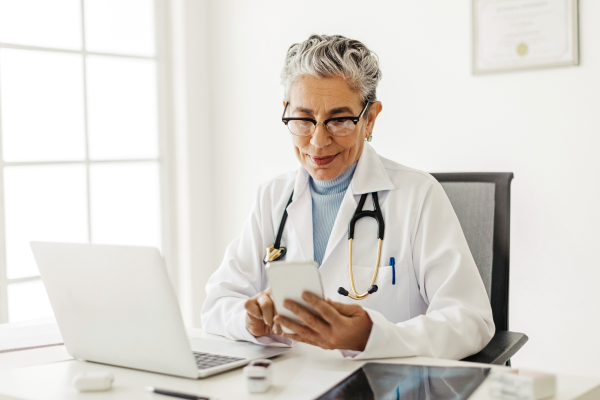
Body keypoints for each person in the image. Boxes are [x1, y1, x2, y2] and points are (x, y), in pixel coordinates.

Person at [201, 34, 494, 360]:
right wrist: (250, 320)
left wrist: (373, 338)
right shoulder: (272, 197)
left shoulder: (417, 195)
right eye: (303, 119)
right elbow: (217, 303)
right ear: (286, 112)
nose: (318, 141)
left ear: (369, 119)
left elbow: (471, 319)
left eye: (339, 120)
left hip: (385, 387)